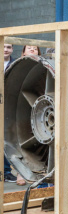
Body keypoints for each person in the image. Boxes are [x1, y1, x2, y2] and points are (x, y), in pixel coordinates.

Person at [3, 43, 16, 183]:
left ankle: (6, 171)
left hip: (8, 106)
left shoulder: (15, 64)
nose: (6, 49)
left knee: (6, 138)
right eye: (4, 46)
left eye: (9, 47)